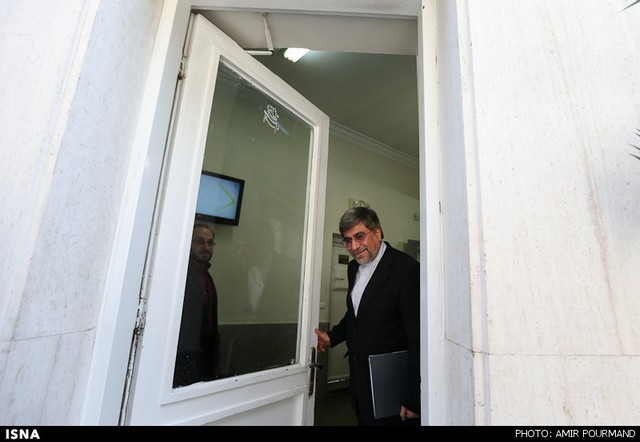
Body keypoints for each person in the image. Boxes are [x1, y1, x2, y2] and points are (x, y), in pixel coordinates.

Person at [314, 207, 420, 426]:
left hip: (391, 382)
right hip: (359, 378)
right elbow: (356, 314)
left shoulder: (406, 270)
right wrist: (332, 337)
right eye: (347, 240)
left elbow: (417, 336)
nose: (353, 247)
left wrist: (414, 394)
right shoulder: (353, 267)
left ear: (377, 232)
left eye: (359, 236)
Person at [173, 223, 221, 387]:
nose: (206, 247)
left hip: (202, 359)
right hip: (181, 360)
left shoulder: (206, 277)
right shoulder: (179, 275)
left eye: (210, 243)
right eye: (199, 242)